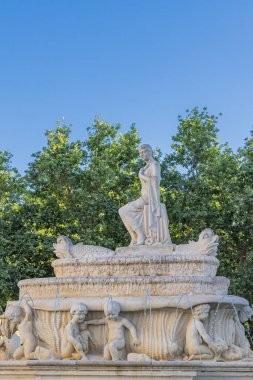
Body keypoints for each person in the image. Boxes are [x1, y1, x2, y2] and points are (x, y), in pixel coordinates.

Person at [119, 144, 171, 246]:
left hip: (148, 199)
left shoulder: (155, 165)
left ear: (150, 151)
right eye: (140, 153)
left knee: (123, 210)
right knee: (123, 211)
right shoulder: (146, 167)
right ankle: (135, 237)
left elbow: (155, 181)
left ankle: (140, 235)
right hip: (144, 198)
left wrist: (141, 176)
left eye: (143, 152)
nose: (141, 155)